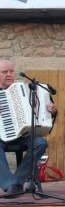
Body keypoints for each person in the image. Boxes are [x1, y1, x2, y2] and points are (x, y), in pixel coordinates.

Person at [0, 60, 57, 195]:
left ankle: (16, 183)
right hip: (1, 136)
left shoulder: (26, 90)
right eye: (4, 72)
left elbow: (44, 110)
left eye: (11, 71)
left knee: (40, 143)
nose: (9, 75)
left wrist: (52, 110)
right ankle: (10, 184)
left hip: (22, 135)